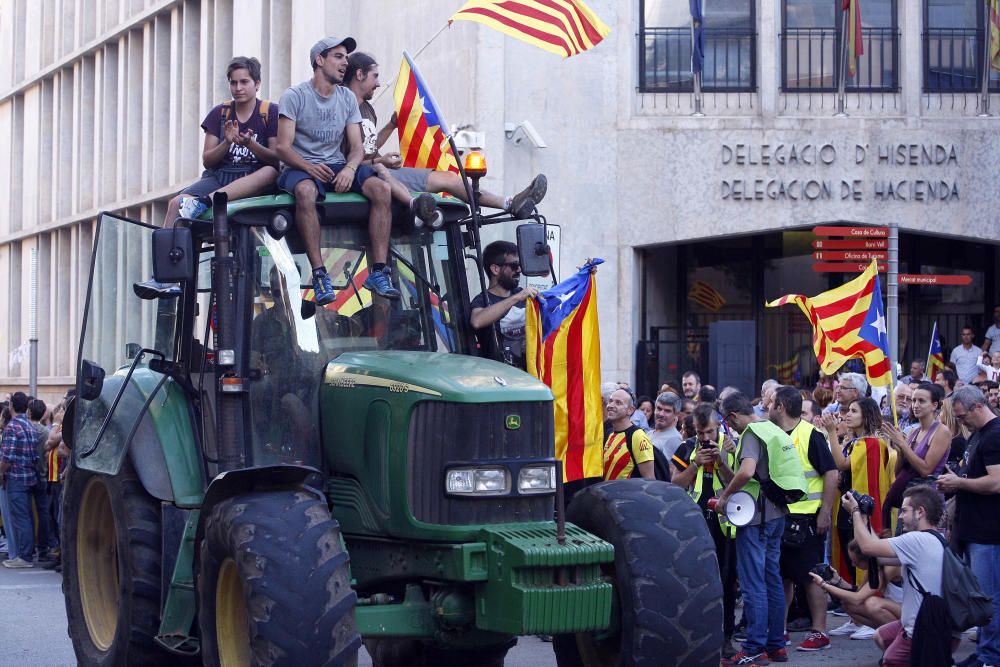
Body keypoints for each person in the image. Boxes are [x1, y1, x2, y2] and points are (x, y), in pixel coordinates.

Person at [275, 36, 418, 304]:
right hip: (300, 166)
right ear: (320, 60)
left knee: (381, 188)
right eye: (338, 57)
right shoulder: (294, 96)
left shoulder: (347, 99)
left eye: (346, 58)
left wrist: (351, 169)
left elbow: (357, 146)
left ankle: (378, 271)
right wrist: (309, 167)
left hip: (338, 165)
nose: (345, 63)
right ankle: (319, 275)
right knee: (305, 191)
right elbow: (282, 148)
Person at [134, 56, 281, 299]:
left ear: (257, 84)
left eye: (244, 82)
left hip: (254, 176)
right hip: (220, 175)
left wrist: (251, 144)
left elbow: (275, 158)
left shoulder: (269, 112)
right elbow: (208, 159)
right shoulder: (220, 113)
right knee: (175, 204)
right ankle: (164, 276)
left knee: (270, 172)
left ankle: (206, 202)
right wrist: (227, 141)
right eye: (233, 83)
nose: (238, 88)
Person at [342, 52, 547, 221]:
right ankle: (417, 208)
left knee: (449, 178)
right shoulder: (341, 105)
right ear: (360, 74)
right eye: (375, 76)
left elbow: (368, 145)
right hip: (363, 174)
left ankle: (509, 203)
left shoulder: (367, 108)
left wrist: (391, 125)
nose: (378, 83)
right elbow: (348, 155)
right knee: (383, 175)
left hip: (379, 166)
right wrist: (381, 160)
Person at [716, 392, 791, 666]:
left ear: (733, 416)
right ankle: (776, 645)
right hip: (776, 514)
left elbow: (747, 472)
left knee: (752, 583)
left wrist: (724, 498)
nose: (730, 428)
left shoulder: (750, 433)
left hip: (755, 516)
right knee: (772, 578)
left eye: (729, 422)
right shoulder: (773, 428)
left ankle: (754, 648)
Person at [844, 485, 955, 667]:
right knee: (881, 636)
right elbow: (876, 553)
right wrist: (864, 517)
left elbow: (867, 548)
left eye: (904, 511)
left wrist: (855, 511)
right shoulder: (933, 539)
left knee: (890, 660)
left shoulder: (916, 540)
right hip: (934, 622)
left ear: (920, 512)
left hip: (921, 628)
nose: (901, 516)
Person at [768, 386, 839, 652]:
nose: (768, 407)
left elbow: (831, 474)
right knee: (781, 575)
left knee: (810, 577)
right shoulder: (773, 433)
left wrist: (824, 512)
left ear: (781, 407)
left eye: (771, 403)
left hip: (807, 518)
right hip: (779, 516)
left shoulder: (811, 435)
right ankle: (780, 629)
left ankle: (820, 631)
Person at [939, 386, 1000, 667]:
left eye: (963, 416)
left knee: (989, 599)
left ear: (977, 406)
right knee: (981, 596)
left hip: (989, 532)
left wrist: (959, 483)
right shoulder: (978, 435)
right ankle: (986, 653)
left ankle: (990, 657)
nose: (961, 422)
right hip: (973, 529)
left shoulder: (995, 435)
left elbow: (996, 482)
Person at [671, 404, 739, 658]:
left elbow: (741, 481)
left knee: (727, 581)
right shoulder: (687, 447)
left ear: (719, 425)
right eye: (700, 433)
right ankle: (697, 638)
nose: (706, 438)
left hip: (726, 523)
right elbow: (674, 484)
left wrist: (721, 462)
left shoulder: (734, 445)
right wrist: (695, 465)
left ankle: (726, 638)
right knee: (696, 581)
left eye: (710, 431)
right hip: (696, 522)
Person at [822, 397, 894, 585]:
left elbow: (841, 463)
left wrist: (831, 432)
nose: (848, 416)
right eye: (848, 410)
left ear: (867, 415)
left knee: (859, 555)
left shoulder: (871, 442)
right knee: (848, 554)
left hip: (858, 509)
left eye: (854, 411)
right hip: (846, 506)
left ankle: (859, 593)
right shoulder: (857, 441)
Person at [469, 240, 538, 369]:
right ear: (495, 269)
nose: (519, 270)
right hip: (499, 380)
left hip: (529, 376)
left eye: (520, 264)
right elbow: (477, 321)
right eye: (514, 265)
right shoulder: (482, 300)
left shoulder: (521, 294)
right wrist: (516, 298)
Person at [815, 539, 902, 640]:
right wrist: (838, 581)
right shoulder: (873, 566)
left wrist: (824, 584)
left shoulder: (889, 567)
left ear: (867, 558)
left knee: (872, 604)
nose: (853, 564)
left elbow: (857, 598)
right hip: (898, 609)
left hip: (912, 613)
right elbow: (858, 593)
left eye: (855, 562)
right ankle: (887, 632)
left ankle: (902, 637)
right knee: (848, 604)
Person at [1, 393, 39, 568]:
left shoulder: (11, 427)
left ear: (11, 406)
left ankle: (24, 557)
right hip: (30, 476)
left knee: (20, 517)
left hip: (16, 477)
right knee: (27, 517)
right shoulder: (31, 426)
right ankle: (27, 553)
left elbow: (6, 459)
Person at [602, 388, 655, 481]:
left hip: (627, 495)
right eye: (610, 401)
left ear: (630, 410)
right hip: (608, 494)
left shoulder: (638, 436)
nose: (611, 405)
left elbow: (649, 479)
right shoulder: (609, 434)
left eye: (618, 403)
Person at [26, 400, 53, 565]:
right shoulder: (45, 432)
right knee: (43, 513)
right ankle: (43, 548)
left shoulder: (26, 428)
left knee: (27, 514)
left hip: (28, 474)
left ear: (29, 412)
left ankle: (29, 548)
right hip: (42, 475)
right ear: (43, 414)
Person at [648, 392, 683, 459]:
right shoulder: (649, 433)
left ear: (676, 414)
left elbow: (671, 469)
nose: (661, 414)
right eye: (659, 408)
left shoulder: (674, 440)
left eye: (667, 411)